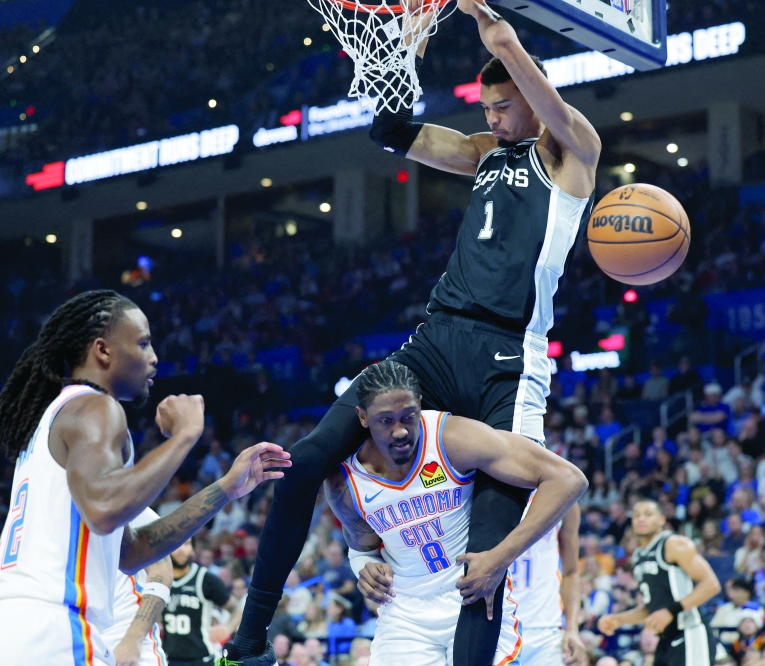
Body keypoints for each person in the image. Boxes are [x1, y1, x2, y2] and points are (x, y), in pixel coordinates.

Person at [223, 0, 603, 660]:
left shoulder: (574, 154)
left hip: (508, 359)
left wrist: (505, 41)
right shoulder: (484, 152)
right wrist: (392, 68)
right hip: (433, 338)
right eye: (485, 108)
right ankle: (251, 638)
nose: (491, 118)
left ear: (533, 99)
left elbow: (556, 111)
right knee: (308, 458)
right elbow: (399, 133)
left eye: (502, 107)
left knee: (484, 555)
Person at [0, 291, 289, 666]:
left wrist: (227, 488)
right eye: (143, 343)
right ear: (103, 350)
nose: (154, 357)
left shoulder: (52, 419)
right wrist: (185, 435)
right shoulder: (95, 406)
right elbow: (104, 509)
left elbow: (131, 553)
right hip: (49, 631)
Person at [321, 361, 587, 666]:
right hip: (405, 615)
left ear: (420, 405)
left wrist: (501, 557)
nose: (400, 431)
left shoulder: (451, 437)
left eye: (409, 416)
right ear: (363, 417)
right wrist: (364, 566)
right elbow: (362, 548)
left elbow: (569, 479)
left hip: (472, 599)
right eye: (385, 421)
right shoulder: (345, 481)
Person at [598, 500, 723, 666]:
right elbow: (652, 608)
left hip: (690, 633)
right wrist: (618, 620)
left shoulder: (674, 544)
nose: (641, 519)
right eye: (636, 516)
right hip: (665, 639)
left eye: (648, 514)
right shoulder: (638, 556)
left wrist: (671, 612)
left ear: (662, 520)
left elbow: (711, 584)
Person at [510, 502, 586, 665]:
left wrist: (572, 628)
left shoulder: (566, 497)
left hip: (546, 630)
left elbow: (571, 572)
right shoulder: (486, 488)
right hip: (499, 626)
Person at [100, 508, 173, 666]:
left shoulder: (129, 505)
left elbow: (162, 572)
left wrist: (134, 639)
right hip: (73, 631)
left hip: (123, 634)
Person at [165, 539, 244, 666]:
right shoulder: (161, 579)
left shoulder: (205, 579)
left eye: (186, 544)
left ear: (193, 550)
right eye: (176, 545)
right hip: (170, 658)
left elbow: (236, 609)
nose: (181, 549)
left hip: (204, 658)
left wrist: (228, 628)